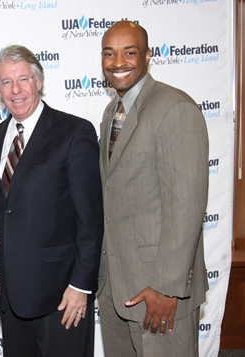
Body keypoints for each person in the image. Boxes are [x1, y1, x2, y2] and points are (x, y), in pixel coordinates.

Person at [0, 45, 103, 357]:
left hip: (61, 297)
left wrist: (81, 286)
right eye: (7, 82)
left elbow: (90, 219)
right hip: (11, 299)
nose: (16, 89)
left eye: (23, 78)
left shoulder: (74, 132)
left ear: (38, 81)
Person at [97, 21, 209, 356]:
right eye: (109, 53)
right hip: (117, 287)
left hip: (158, 292)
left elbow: (186, 207)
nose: (118, 62)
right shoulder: (111, 111)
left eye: (129, 52)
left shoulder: (175, 109)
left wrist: (167, 288)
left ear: (147, 56)